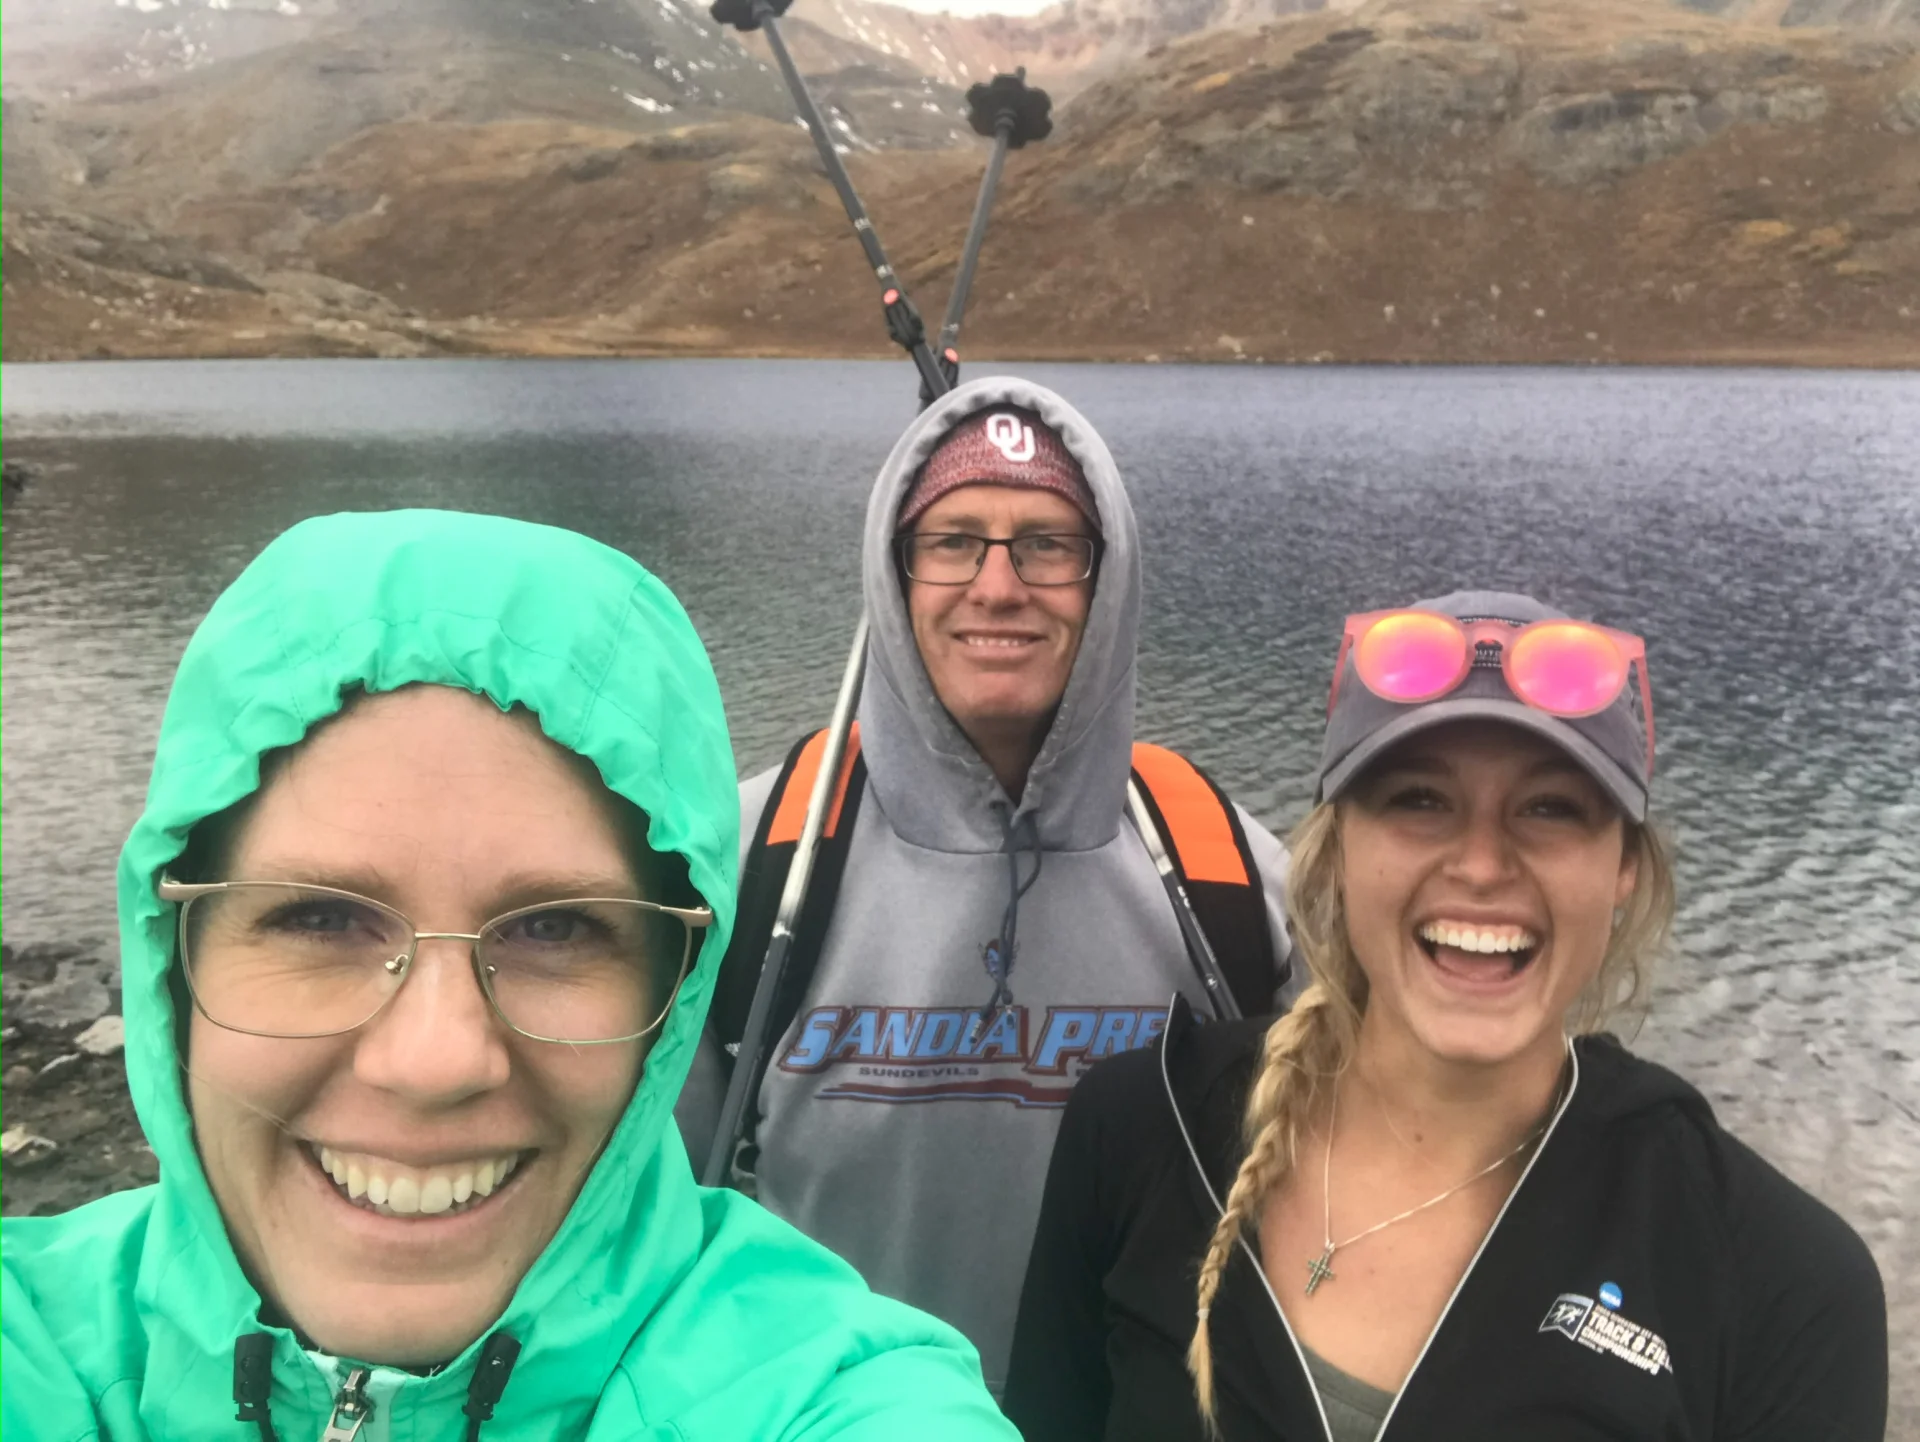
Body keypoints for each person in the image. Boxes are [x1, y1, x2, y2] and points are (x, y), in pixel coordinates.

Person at [0, 509, 1020, 1441]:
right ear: (171, 962)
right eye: (317, 916)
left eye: (557, 928)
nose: (435, 1057)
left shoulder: (820, 1393)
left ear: (675, 999)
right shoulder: (33, 1350)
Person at [1004, 590, 1888, 1441]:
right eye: (1419, 800)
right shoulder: (1140, 1131)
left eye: (1550, 808)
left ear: (1624, 866)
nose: (1480, 864)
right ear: (1339, 842)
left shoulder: (1780, 1281)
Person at [676, 377, 1300, 1396]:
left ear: (1109, 578)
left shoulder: (1223, 870)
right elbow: (640, 1234)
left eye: (1048, 544)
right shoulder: (754, 862)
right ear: (895, 570)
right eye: (954, 540)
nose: (999, 586)